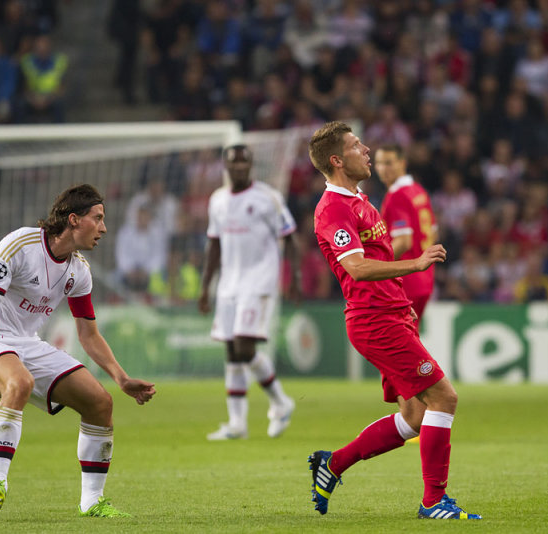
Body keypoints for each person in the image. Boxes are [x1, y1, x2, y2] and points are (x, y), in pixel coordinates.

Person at [0, 184, 156, 518]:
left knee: (100, 403)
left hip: (26, 343)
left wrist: (120, 378)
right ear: (74, 220)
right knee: (20, 383)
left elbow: (88, 334)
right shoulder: (21, 244)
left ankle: (91, 501)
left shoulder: (79, 271)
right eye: (98, 218)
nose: (104, 228)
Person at [306, 121, 481, 520]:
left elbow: (378, 258)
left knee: (416, 416)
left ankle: (331, 465)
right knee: (444, 398)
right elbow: (356, 268)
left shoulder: (360, 198)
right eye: (355, 146)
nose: (365, 149)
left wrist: (403, 301)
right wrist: (415, 262)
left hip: (392, 314)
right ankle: (434, 502)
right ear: (337, 160)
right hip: (375, 322)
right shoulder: (332, 209)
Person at [198, 145, 299, 440]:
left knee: (244, 347)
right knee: (231, 351)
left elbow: (290, 237)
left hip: (259, 280)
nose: (239, 168)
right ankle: (237, 424)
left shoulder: (267, 198)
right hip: (229, 283)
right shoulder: (217, 200)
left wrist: (295, 277)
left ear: (251, 166)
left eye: (244, 164)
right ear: (225, 167)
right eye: (233, 164)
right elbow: (214, 245)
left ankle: (281, 402)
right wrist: (205, 287)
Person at [374, 144, 439, 321]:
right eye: (379, 163)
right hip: (425, 281)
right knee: (409, 338)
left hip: (406, 283)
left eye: (389, 163)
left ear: (402, 163)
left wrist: (375, 268)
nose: (383, 168)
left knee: (393, 342)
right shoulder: (418, 191)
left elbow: (403, 242)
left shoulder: (397, 196)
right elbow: (433, 233)